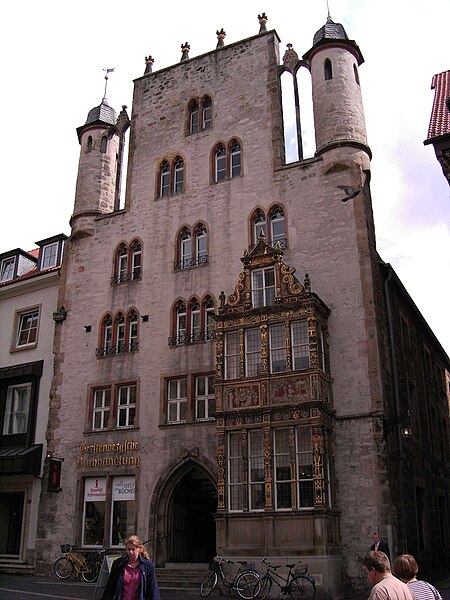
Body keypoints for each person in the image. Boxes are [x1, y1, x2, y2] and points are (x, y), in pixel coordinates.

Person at [101, 535, 161, 600]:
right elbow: (110, 588)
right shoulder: (118, 564)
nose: (131, 552)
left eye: (133, 549)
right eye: (128, 549)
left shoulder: (148, 566)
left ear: (139, 549)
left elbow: (153, 590)